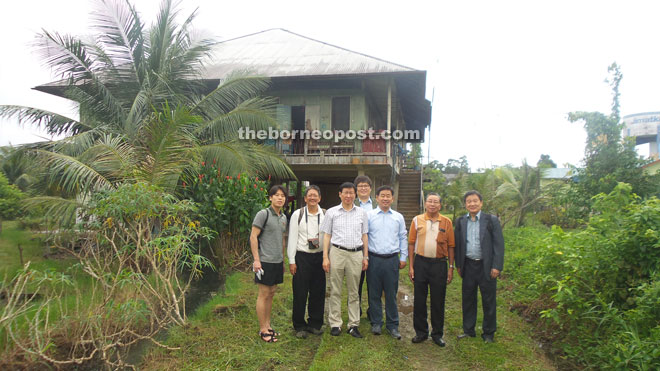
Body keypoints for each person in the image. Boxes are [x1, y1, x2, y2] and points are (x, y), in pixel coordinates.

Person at [454, 190, 505, 343]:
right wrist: (458, 264)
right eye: (469, 201)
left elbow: (499, 245)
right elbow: (458, 245)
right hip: (468, 265)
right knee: (468, 299)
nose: (472, 204)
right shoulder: (461, 221)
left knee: (488, 300)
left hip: (486, 266)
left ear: (481, 203)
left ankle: (488, 333)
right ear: (465, 204)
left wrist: (496, 266)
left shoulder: (491, 220)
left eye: (475, 201)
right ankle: (468, 330)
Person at [321, 182, 369, 338]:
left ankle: (353, 324)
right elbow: (327, 235)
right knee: (335, 289)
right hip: (337, 252)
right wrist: (325, 256)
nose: (348, 196)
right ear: (340, 194)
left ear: (355, 195)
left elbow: (364, 235)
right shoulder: (332, 212)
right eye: (345, 193)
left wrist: (365, 256)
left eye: (351, 193)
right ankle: (335, 323)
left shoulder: (362, 213)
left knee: (354, 291)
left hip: (356, 254)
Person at [408, 192, 455, 347]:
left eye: (436, 202)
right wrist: (411, 266)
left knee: (438, 300)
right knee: (420, 300)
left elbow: (451, 246)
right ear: (425, 203)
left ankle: (437, 334)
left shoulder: (447, 222)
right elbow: (411, 243)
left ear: (440, 205)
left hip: (439, 265)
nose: (432, 204)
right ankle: (421, 333)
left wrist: (450, 267)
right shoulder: (417, 220)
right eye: (430, 201)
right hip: (421, 263)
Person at [366, 185, 407, 339]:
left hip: (391, 260)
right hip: (374, 259)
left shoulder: (398, 217)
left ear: (392, 198)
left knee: (391, 294)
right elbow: (365, 236)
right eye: (382, 195)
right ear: (376, 198)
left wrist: (403, 257)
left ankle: (392, 325)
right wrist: (365, 257)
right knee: (374, 293)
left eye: (388, 196)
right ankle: (376, 322)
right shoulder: (369, 216)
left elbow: (403, 237)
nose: (385, 198)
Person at [250, 185, 289, 343]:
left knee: (272, 293)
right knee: (263, 294)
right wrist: (256, 259)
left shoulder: (283, 217)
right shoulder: (263, 214)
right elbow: (253, 236)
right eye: (276, 195)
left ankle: (268, 325)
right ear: (270, 198)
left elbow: (282, 240)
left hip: (277, 261)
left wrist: (283, 259)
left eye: (282, 196)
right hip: (264, 261)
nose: (280, 198)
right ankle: (262, 329)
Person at [287, 185, 325, 339]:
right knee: (300, 292)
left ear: (320, 198)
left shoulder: (326, 215)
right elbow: (292, 238)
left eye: (315, 195)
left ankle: (315, 323)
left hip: (320, 256)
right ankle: (299, 325)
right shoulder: (298, 214)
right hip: (302, 257)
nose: (312, 198)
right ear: (305, 198)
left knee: (318, 291)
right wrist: (291, 260)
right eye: (309, 195)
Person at [354, 175, 376, 317]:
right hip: (356, 248)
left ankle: (372, 310)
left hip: (375, 248)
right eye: (360, 186)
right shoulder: (351, 203)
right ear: (356, 189)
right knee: (356, 281)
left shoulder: (377, 204)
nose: (363, 188)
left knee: (373, 283)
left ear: (370, 188)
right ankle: (356, 310)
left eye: (366, 186)